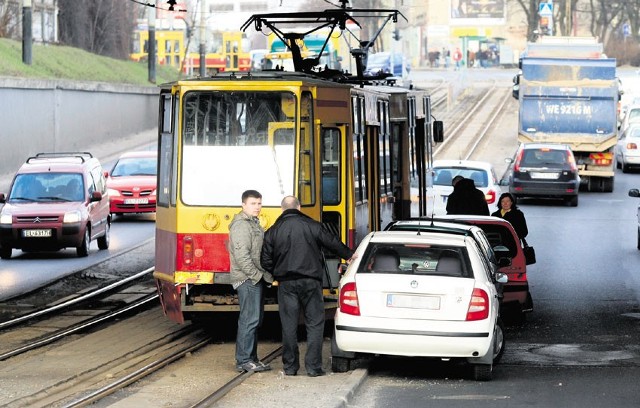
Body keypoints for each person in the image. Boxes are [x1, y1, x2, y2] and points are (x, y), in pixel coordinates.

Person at [260, 195, 355, 377]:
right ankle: (313, 368)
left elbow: (265, 260)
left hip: (286, 283)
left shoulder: (272, 231)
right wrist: (349, 254)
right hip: (311, 282)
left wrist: (277, 272)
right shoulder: (312, 225)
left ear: (282, 210)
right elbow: (331, 242)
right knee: (315, 323)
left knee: (288, 326)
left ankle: (290, 367)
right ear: (299, 207)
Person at [229, 189, 274, 373]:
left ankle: (252, 358)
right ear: (243, 205)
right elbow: (242, 256)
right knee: (249, 319)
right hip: (248, 280)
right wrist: (257, 276)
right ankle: (244, 360)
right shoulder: (241, 226)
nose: (257, 207)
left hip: (254, 278)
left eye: (259, 203)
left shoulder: (253, 223)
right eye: (253, 203)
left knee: (255, 319)